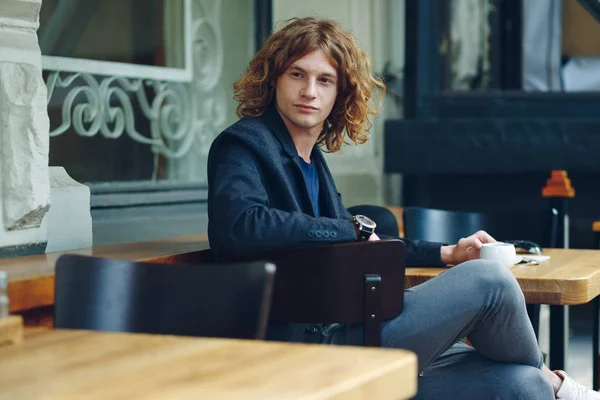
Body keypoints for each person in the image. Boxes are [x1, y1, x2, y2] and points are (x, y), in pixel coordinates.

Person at [207, 17, 598, 400]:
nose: (309, 90)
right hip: (309, 346)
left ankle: (545, 383)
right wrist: (353, 229)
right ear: (273, 78)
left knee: (521, 386)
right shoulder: (244, 144)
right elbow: (240, 227)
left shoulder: (312, 161)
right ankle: (559, 383)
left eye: (324, 80)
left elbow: (367, 240)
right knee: (490, 282)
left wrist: (445, 252)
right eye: (297, 74)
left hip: (352, 327)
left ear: (340, 94)